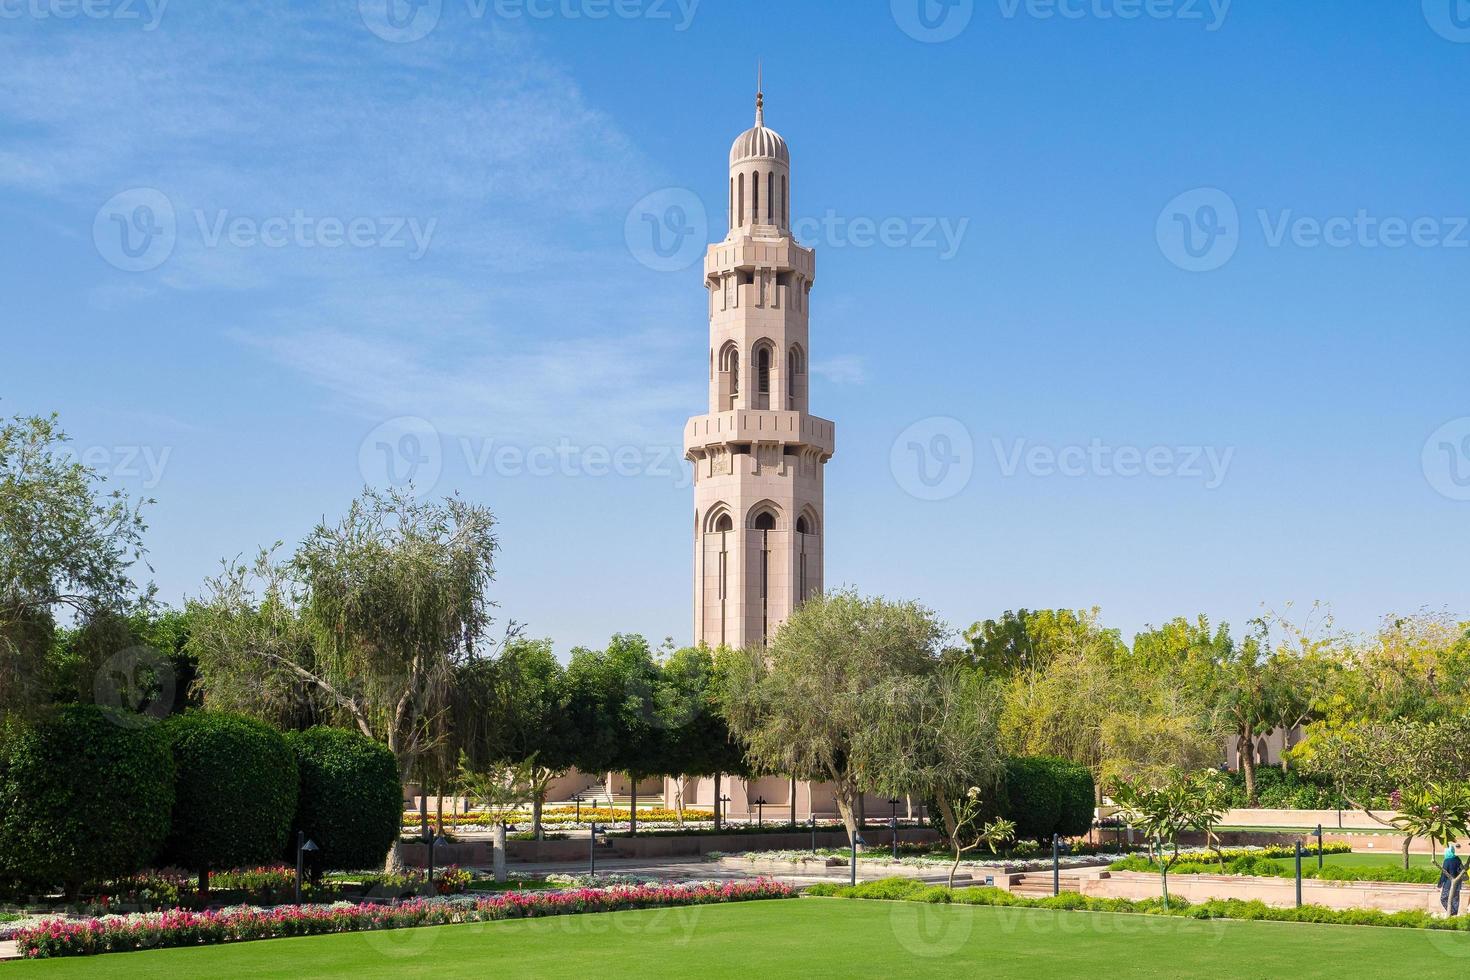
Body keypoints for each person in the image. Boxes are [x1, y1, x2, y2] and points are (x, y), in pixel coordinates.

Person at [1440, 844, 1463, 916]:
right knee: (1455, 899)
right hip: (1457, 883)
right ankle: (1454, 913)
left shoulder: (1447, 861)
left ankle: (1451, 912)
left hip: (1448, 883)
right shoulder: (1457, 859)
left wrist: (1439, 884)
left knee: (1443, 898)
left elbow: (1444, 873)